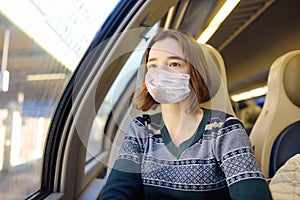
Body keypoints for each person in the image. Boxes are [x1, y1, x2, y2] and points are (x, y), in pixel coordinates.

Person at [101, 29, 273, 200]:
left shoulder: (226, 130)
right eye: (153, 65)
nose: (161, 73)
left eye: (174, 64)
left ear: (194, 73)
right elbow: (116, 191)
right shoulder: (141, 129)